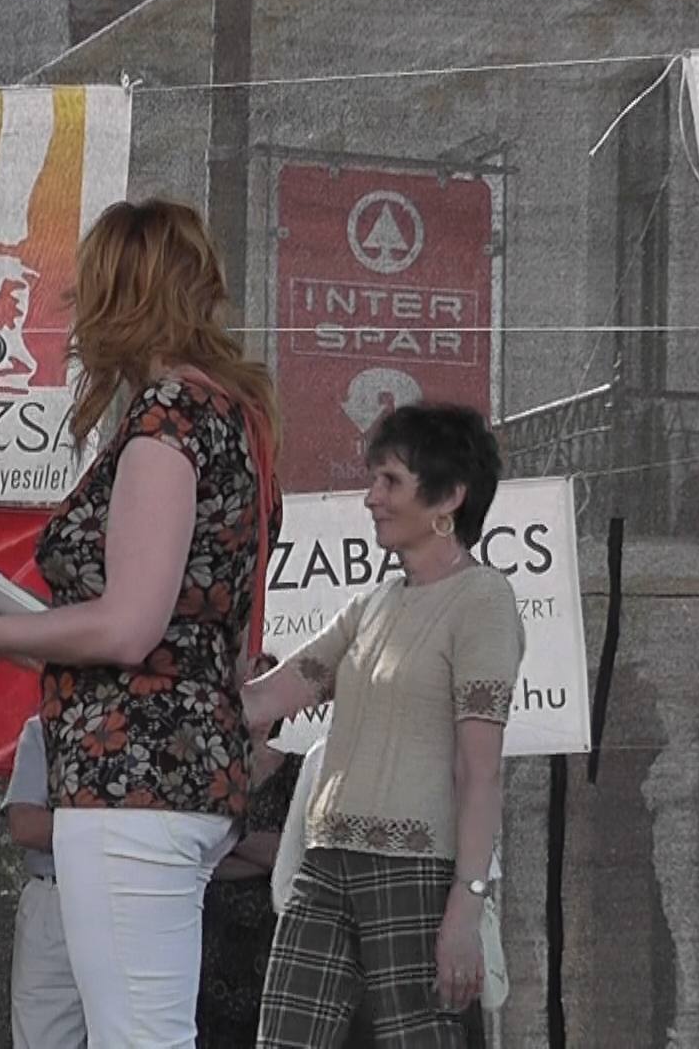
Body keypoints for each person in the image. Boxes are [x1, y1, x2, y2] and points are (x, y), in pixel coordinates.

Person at [0, 197, 281, 1046]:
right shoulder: (231, 419)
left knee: (139, 1037)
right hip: (176, 770)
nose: (76, 311)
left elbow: (127, 629)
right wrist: (14, 631)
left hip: (133, 782)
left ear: (121, 293)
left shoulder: (168, 419)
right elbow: (174, 641)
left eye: (87, 290)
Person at [238, 403, 521, 1047]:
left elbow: (479, 772)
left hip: (414, 874)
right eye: (374, 480)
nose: (371, 498)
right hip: (323, 864)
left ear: (449, 496)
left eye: (390, 481)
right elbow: (265, 698)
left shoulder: (484, 600)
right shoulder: (372, 604)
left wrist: (466, 905)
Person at [197, 655, 302, 1048]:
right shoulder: (209, 773)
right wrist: (255, 847)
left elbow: (286, 855)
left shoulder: (296, 772)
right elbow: (198, 855)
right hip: (208, 931)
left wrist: (229, 836)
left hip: (268, 937)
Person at [2, 715, 83, 1049]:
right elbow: (24, 825)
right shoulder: (45, 727)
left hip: (137, 898)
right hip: (54, 894)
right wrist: (123, 832)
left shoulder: (162, 728)